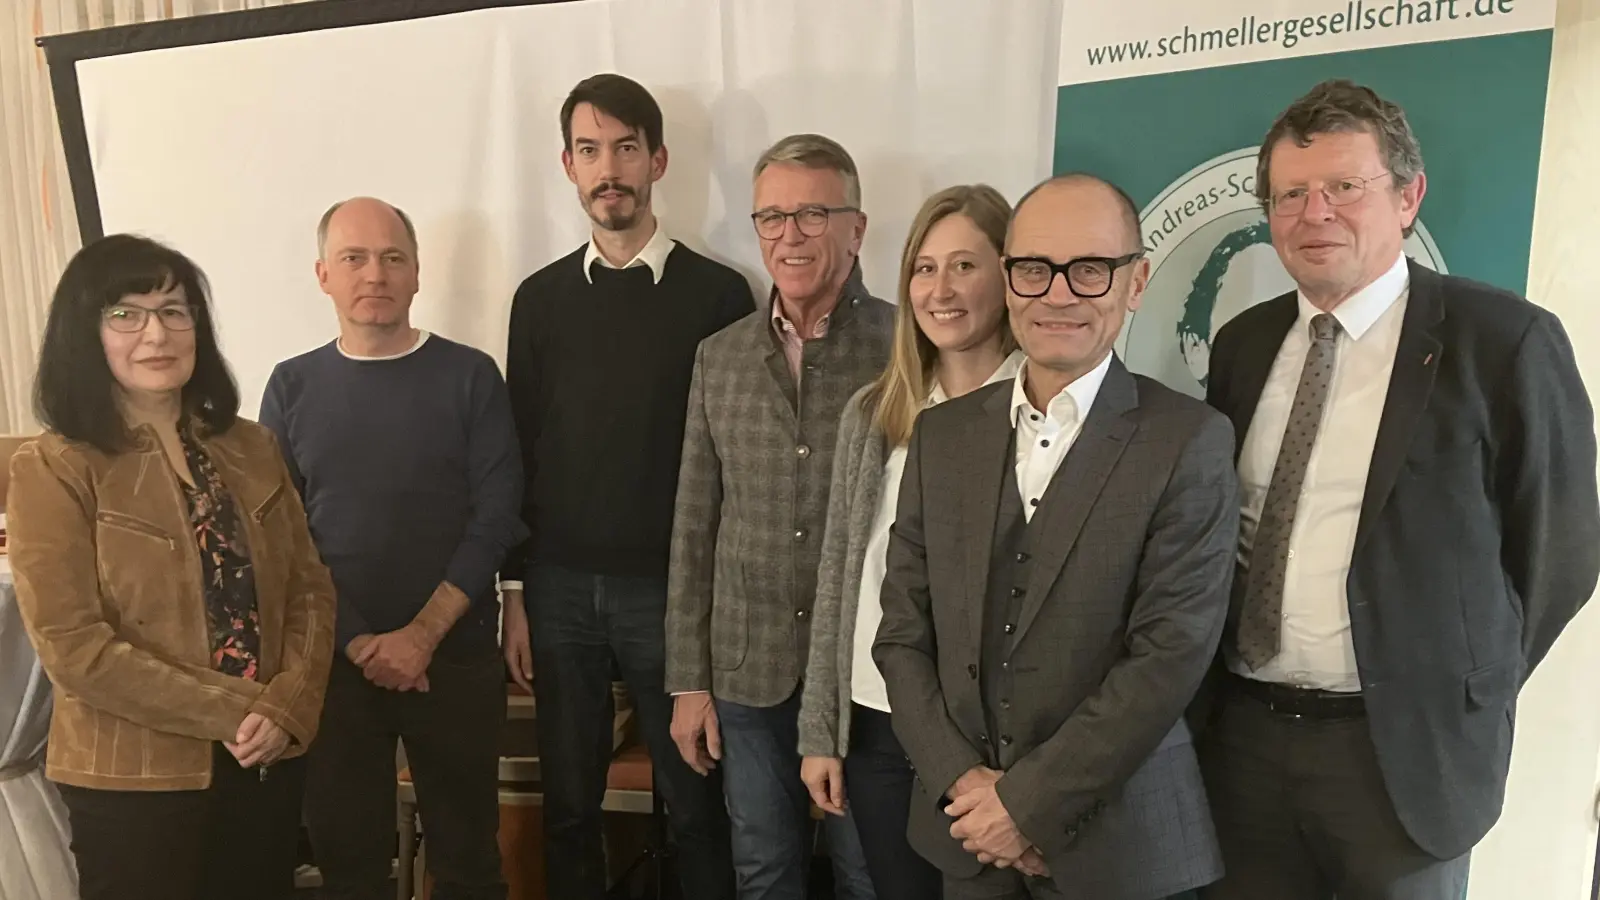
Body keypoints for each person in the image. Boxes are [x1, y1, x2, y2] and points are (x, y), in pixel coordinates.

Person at [1197, 78, 1600, 900]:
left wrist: (1454, 682)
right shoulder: (1242, 345)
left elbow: (1560, 550)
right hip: (1242, 741)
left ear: (1409, 196)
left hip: (1402, 760)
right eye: (1291, 194)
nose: (1315, 213)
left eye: (1345, 187)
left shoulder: (1504, 341)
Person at [873, 173, 1237, 900]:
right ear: (1009, 280)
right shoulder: (942, 437)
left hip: (1122, 852)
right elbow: (902, 637)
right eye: (1035, 268)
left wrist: (1026, 807)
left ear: (1135, 283)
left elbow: (1168, 658)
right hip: (968, 839)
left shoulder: (1188, 440)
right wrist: (969, 790)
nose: (1059, 293)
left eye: (1090, 269)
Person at [6, 234, 336, 900]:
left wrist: (289, 706)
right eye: (126, 313)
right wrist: (245, 711)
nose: (156, 332)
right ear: (84, 332)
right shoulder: (54, 466)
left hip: (262, 762)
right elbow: (76, 648)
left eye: (175, 310)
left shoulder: (252, 446)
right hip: (133, 780)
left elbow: (310, 591)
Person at [498, 73, 750, 900]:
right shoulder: (537, 301)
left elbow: (731, 464)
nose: (609, 169)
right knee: (569, 806)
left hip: (670, 595)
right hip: (560, 589)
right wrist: (516, 591)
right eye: (590, 150)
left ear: (658, 161)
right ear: (568, 166)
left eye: (626, 149)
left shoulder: (718, 296)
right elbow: (520, 449)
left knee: (694, 803)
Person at [260, 197, 527, 900]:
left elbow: (497, 516)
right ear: (323, 274)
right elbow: (282, 535)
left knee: (469, 863)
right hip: (333, 669)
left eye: (392, 258)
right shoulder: (291, 386)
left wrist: (421, 635)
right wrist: (355, 643)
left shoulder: (471, 377)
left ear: (416, 275)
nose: (373, 273)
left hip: (456, 660)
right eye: (354, 257)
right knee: (349, 869)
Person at [664, 133, 889, 900]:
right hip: (745, 670)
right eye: (770, 218)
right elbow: (695, 524)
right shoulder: (717, 357)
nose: (788, 237)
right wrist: (689, 682)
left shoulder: (909, 348)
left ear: (857, 229)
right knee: (763, 870)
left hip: (865, 672)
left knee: (870, 873)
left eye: (812, 215)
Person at [798, 183, 1023, 900]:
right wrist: (822, 727)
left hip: (985, 740)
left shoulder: (1044, 408)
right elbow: (841, 575)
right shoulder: (877, 410)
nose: (941, 289)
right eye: (925, 269)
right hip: (877, 721)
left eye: (965, 265)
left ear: (1010, 273)